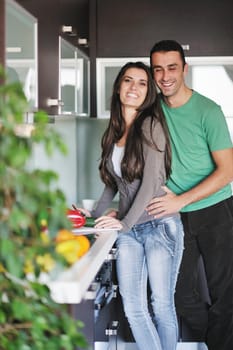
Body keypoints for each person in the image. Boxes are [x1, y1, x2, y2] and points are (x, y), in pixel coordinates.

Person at [79, 61, 184, 350]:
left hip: (159, 225)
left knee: (161, 305)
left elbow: (150, 183)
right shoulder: (114, 132)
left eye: (141, 83)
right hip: (129, 229)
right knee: (134, 308)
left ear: (148, 92)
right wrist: (91, 215)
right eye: (128, 81)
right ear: (118, 87)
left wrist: (124, 222)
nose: (134, 88)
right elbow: (113, 182)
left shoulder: (150, 125)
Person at [147, 40, 233, 350]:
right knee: (177, 294)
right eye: (158, 69)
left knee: (225, 293)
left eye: (172, 68)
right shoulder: (152, 110)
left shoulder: (209, 111)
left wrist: (181, 200)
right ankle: (219, 339)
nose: (165, 76)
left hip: (216, 209)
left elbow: (227, 171)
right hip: (175, 215)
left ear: (185, 69)